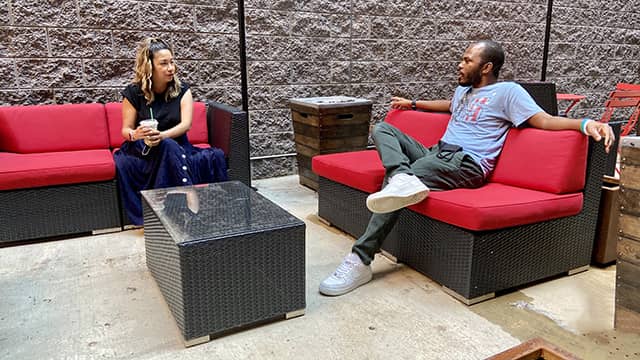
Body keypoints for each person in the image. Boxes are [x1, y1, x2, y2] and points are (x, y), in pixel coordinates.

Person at [319, 40, 614, 297]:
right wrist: (412, 103)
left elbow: (544, 120)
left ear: (486, 67)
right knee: (383, 129)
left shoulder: (508, 93)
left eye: (466, 60)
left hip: (466, 164)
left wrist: (586, 124)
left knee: (393, 188)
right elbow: (448, 105)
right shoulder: (464, 92)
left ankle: (360, 261)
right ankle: (402, 176)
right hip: (437, 154)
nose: (459, 65)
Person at [114, 38, 227, 225]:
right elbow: (125, 130)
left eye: (172, 62)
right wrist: (137, 134)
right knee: (161, 149)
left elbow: (186, 125)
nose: (171, 68)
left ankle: (166, 206)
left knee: (168, 145)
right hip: (145, 149)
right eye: (164, 63)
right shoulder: (134, 93)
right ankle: (191, 205)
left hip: (176, 144)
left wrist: (163, 135)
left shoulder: (182, 90)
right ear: (149, 67)